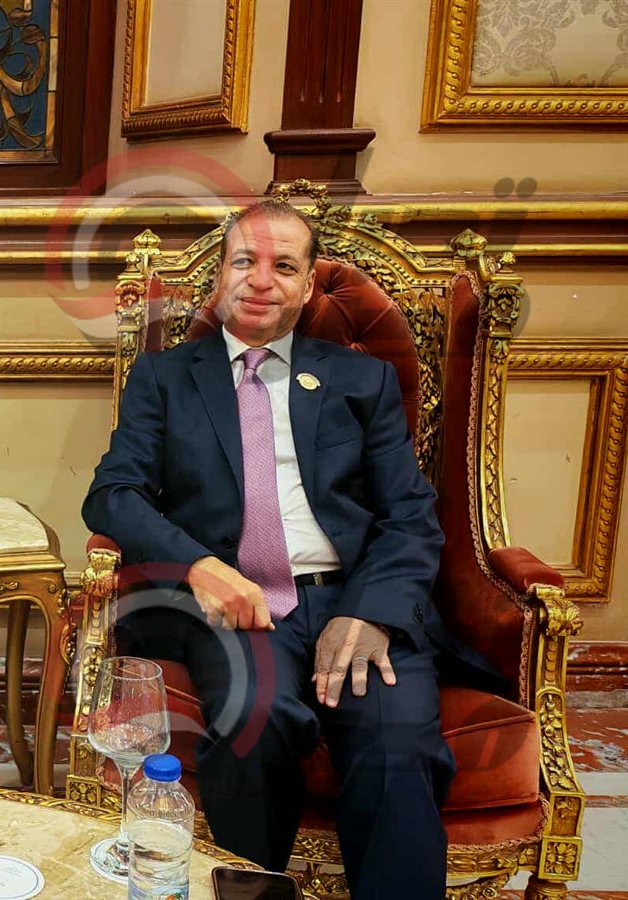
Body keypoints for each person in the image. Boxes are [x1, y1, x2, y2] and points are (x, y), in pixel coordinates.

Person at [83, 200, 503, 898]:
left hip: (355, 597)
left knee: (397, 744)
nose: (260, 280)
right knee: (256, 720)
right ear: (220, 276)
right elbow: (113, 495)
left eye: (283, 266)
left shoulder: (360, 379)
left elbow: (409, 513)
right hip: (235, 603)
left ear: (308, 286)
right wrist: (200, 567)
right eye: (244, 261)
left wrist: (371, 612)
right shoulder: (165, 378)